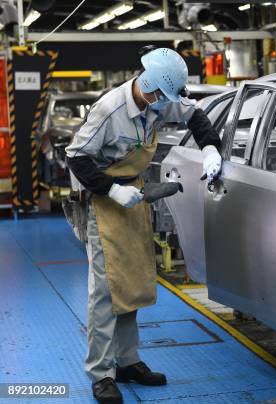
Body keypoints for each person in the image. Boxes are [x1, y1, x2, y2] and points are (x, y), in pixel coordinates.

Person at [65, 47, 222, 404]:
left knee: (131, 282)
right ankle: (101, 374)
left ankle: (127, 361)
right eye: (160, 99)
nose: (163, 106)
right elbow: (75, 155)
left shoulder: (160, 97)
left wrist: (211, 147)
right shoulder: (110, 110)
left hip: (133, 195)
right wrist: (111, 190)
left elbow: (194, 114)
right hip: (104, 201)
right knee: (105, 292)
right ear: (147, 84)